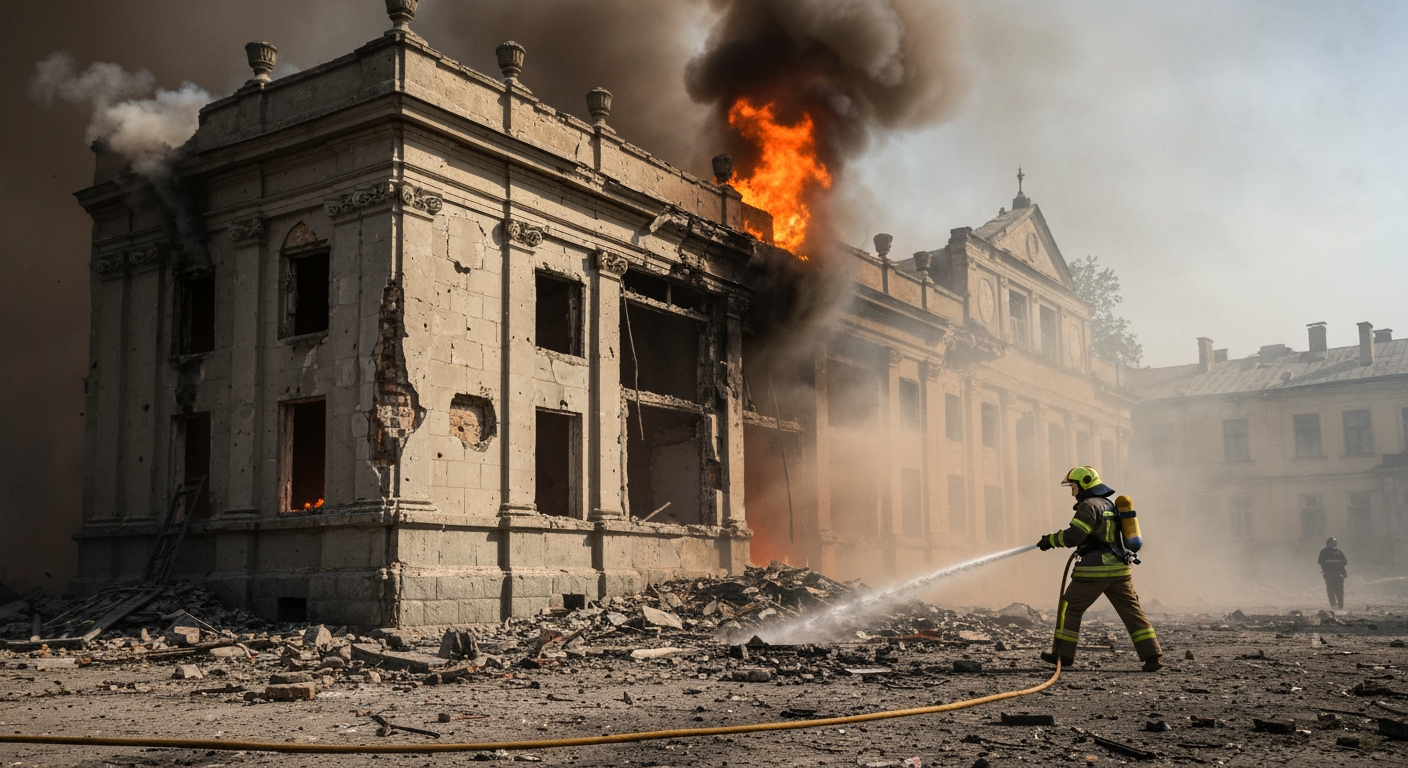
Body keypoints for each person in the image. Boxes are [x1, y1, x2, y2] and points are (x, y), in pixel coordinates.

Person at [1036, 466, 1163, 672]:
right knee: (1132, 611)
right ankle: (1152, 655)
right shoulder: (1108, 505)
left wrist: (1050, 540)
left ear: (1085, 484)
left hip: (1095, 571)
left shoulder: (1088, 506)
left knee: (1071, 606)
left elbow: (1074, 536)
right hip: (1120, 570)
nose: (1072, 492)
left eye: (1074, 487)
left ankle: (1063, 655)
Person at [1318, 537, 1348, 610]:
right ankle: (1339, 606)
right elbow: (1344, 562)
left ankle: (1334, 606)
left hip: (1330, 575)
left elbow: (1320, 562)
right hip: (1337, 575)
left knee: (1332, 591)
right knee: (1338, 591)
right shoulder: (1338, 552)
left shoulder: (1324, 552)